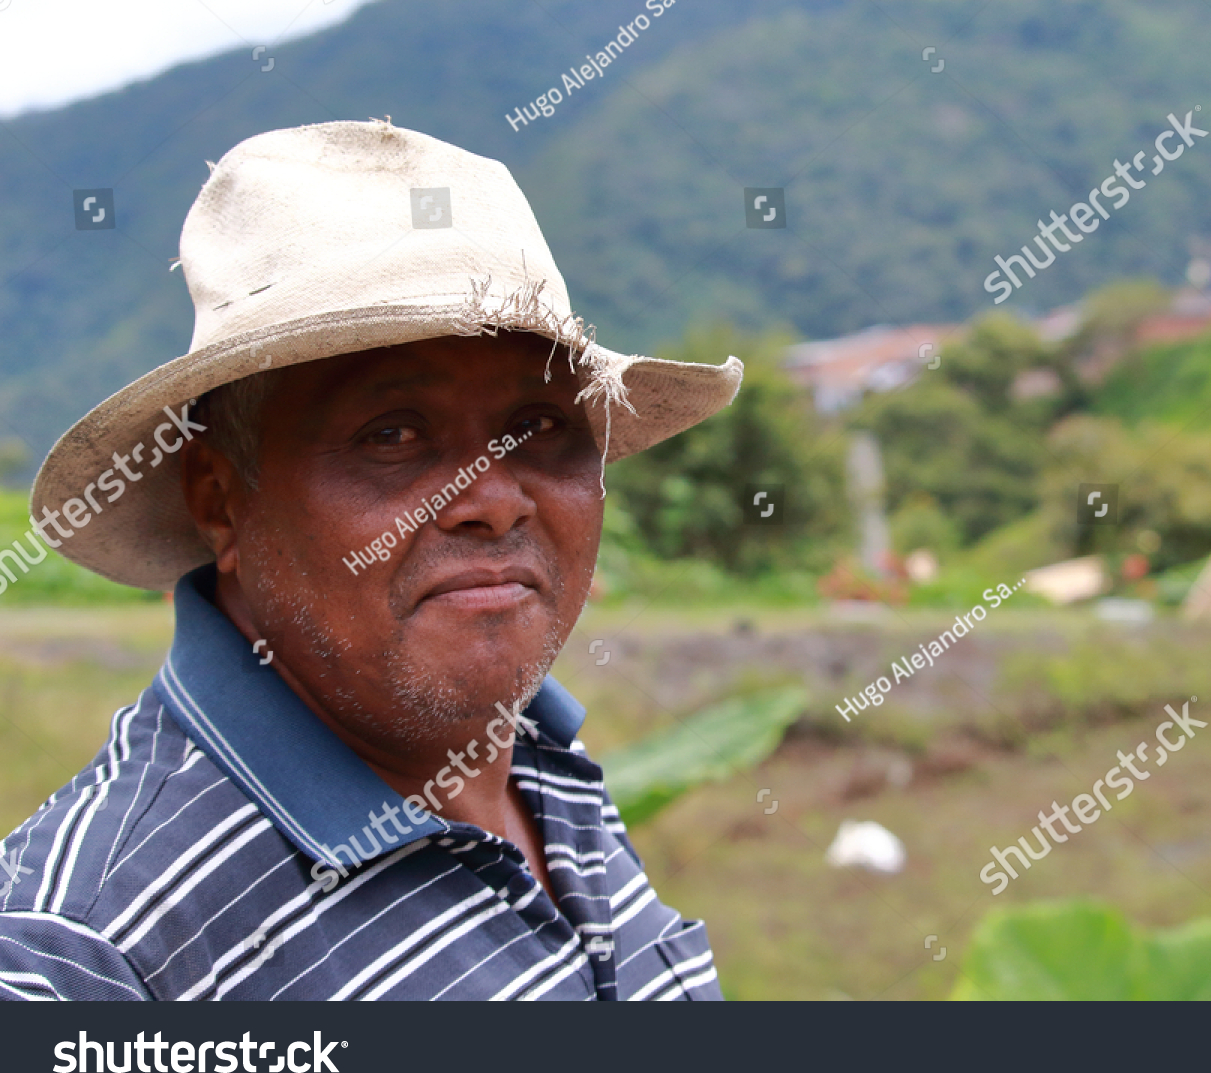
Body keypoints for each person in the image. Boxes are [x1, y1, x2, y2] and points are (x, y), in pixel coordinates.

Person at [0, 119, 741, 1001]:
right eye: (390, 434)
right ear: (219, 497)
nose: (494, 497)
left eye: (541, 427)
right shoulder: (83, 955)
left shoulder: (538, 759)